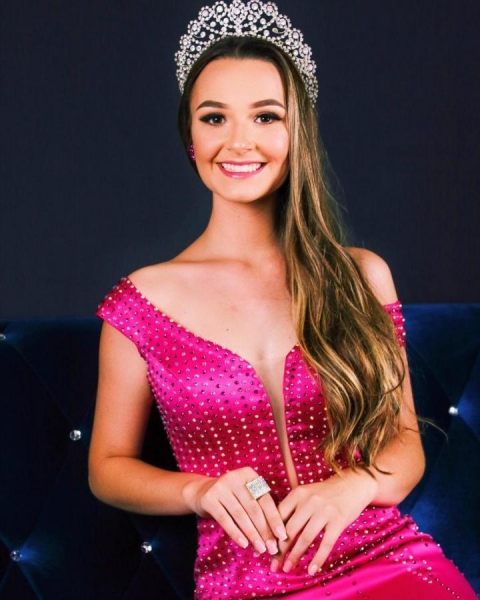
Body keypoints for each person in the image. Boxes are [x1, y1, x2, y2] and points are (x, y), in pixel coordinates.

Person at [88, 2, 476, 598]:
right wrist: (197, 490)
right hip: (246, 582)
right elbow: (107, 467)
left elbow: (406, 445)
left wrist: (356, 485)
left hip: (390, 562)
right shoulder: (142, 301)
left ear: (298, 133)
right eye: (214, 118)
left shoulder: (361, 275)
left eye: (266, 116)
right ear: (190, 136)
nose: (238, 141)